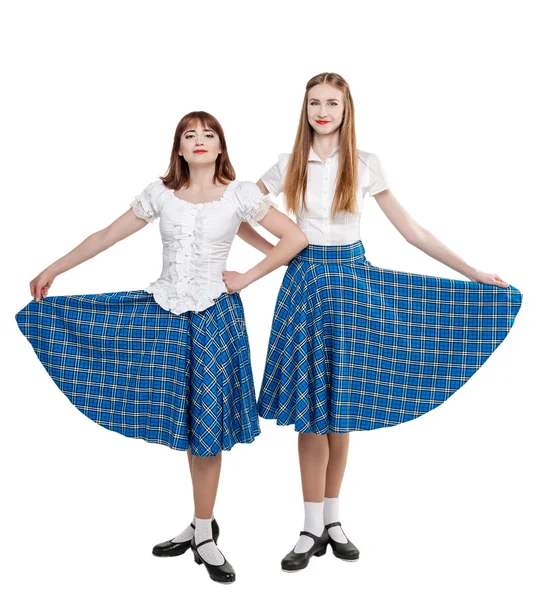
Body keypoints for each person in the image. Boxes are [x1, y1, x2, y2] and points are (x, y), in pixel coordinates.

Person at [236, 73, 523, 572]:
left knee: (340, 408)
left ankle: (333, 519)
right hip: (305, 286)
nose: (322, 111)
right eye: (313, 103)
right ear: (303, 109)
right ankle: (308, 527)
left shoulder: (366, 164)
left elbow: (413, 231)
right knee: (311, 411)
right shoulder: (285, 165)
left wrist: (473, 272)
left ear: (347, 110)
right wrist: (280, 255)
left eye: (332, 103)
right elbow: (237, 210)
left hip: (353, 284)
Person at [15, 110, 308, 584]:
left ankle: (206, 534)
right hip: (165, 314)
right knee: (182, 419)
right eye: (189, 134)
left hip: (216, 318)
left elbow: (294, 237)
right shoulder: (161, 195)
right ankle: (198, 525)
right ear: (178, 148)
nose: (198, 140)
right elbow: (107, 236)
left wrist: (247, 280)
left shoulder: (239, 194)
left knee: (207, 427)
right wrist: (55, 267)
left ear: (220, 147)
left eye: (208, 134)